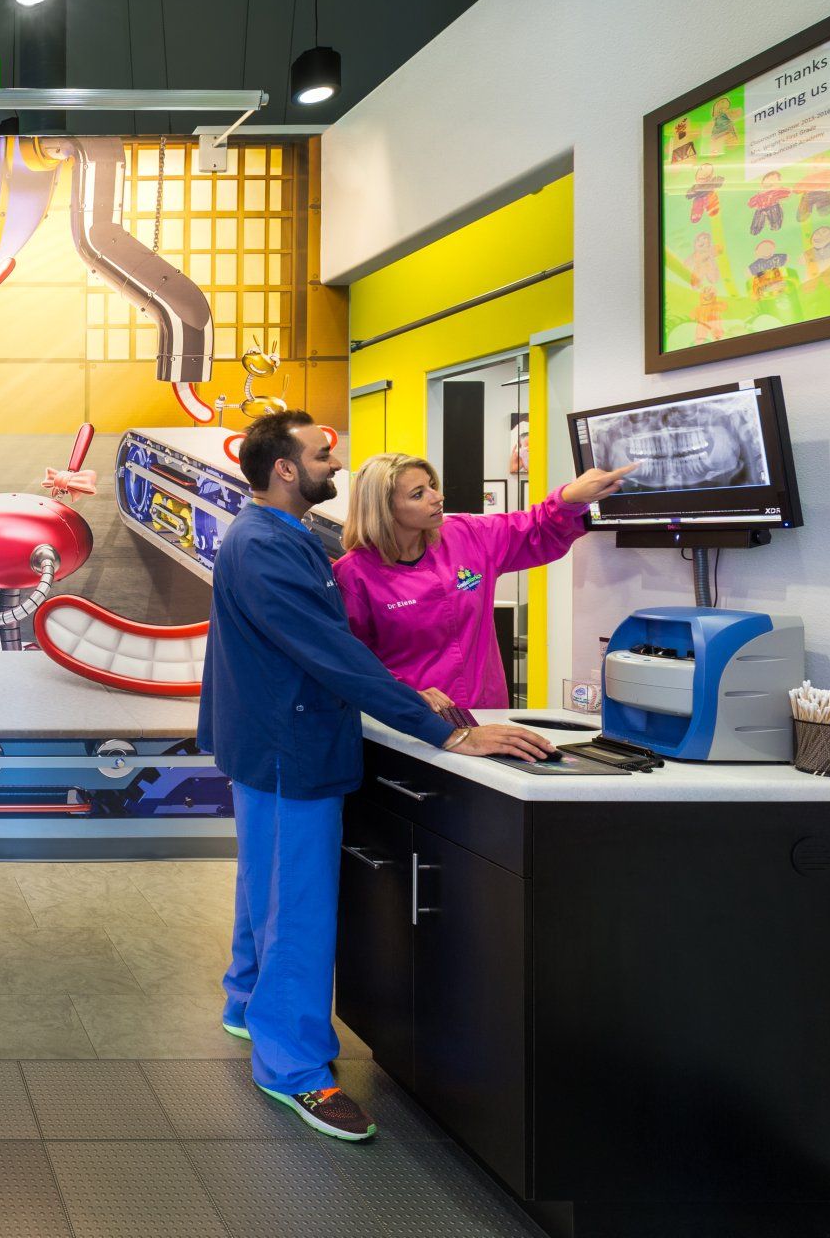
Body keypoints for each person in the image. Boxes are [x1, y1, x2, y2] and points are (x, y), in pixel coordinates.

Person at [200, 411, 555, 1142]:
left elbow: (332, 651)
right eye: (323, 455)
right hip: (287, 748)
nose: (336, 465)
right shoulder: (269, 546)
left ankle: (246, 1002)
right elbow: (330, 653)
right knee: (296, 908)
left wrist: (407, 695)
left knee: (264, 884)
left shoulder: (280, 537)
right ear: (287, 470)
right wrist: (448, 730)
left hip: (272, 741)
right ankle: (293, 1068)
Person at [334, 453, 634, 711]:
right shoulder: (355, 574)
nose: (437, 497)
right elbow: (352, 661)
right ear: (385, 510)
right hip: (414, 720)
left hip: (488, 714)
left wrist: (569, 497)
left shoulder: (466, 534)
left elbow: (534, 529)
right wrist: (403, 694)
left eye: (432, 486)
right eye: (418, 494)